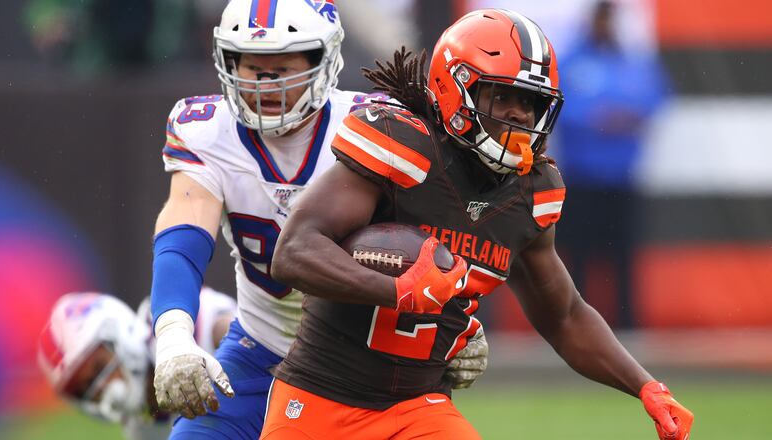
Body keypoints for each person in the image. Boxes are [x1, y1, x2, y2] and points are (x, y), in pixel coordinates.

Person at [262, 8, 693, 440]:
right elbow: (294, 251)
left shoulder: (531, 192)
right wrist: (396, 289)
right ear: (454, 90)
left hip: (419, 405)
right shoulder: (403, 148)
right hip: (321, 396)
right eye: (502, 96)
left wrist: (645, 386)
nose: (520, 114)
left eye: (530, 102)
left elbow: (564, 315)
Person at [148, 1, 488, 438]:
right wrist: (174, 334)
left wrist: (460, 318)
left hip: (365, 369)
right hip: (260, 350)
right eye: (251, 66)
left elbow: (439, 233)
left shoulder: (374, 126)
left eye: (282, 66)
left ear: (323, 60)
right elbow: (184, 233)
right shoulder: (207, 130)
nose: (265, 83)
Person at [554, 0, 670, 326]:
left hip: (622, 180)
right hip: (582, 179)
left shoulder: (631, 62)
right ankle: (572, 326)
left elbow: (655, 97)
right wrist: (600, 117)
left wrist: (625, 115)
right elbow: (561, 104)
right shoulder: (573, 61)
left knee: (622, 258)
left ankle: (626, 326)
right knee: (576, 258)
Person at [37, 287, 235, 440]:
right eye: (87, 387)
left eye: (99, 369)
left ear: (119, 337)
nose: (100, 389)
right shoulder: (141, 428)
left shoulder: (178, 328)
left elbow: (243, 337)